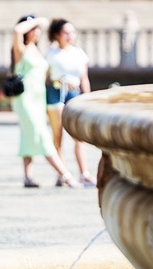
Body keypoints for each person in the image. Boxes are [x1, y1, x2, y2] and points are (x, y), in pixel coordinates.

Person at [10, 15, 80, 188]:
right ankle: (65, 175)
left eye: (38, 29)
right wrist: (37, 20)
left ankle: (28, 177)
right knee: (42, 135)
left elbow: (47, 76)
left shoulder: (38, 50)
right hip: (24, 99)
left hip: (39, 98)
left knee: (28, 135)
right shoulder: (21, 49)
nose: (36, 32)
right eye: (33, 29)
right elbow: (16, 30)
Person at [45, 18, 96, 188]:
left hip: (74, 93)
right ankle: (62, 173)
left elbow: (84, 78)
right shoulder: (50, 54)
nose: (70, 36)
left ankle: (84, 173)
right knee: (57, 135)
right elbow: (45, 78)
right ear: (57, 35)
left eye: (72, 32)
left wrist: (87, 99)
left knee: (78, 136)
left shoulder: (79, 53)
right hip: (56, 92)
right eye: (66, 33)